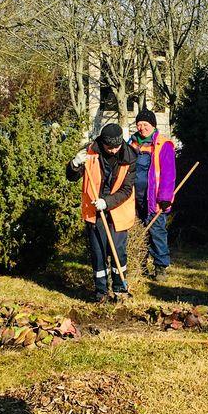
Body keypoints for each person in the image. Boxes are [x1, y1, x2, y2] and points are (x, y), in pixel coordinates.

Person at [67, 124, 137, 300]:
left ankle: (120, 289)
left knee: (118, 250)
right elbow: (71, 177)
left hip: (118, 208)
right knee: (98, 252)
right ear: (102, 143)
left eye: (116, 147)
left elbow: (127, 189)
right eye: (109, 147)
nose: (113, 151)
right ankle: (101, 291)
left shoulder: (130, 157)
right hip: (94, 210)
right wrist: (75, 163)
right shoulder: (90, 152)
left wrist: (106, 202)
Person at [129, 108, 177, 281]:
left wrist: (165, 198)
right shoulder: (131, 143)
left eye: (145, 124)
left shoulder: (163, 144)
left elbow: (168, 174)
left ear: (153, 125)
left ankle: (160, 268)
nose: (142, 128)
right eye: (139, 124)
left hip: (154, 200)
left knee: (157, 233)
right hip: (133, 199)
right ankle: (139, 265)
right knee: (137, 232)